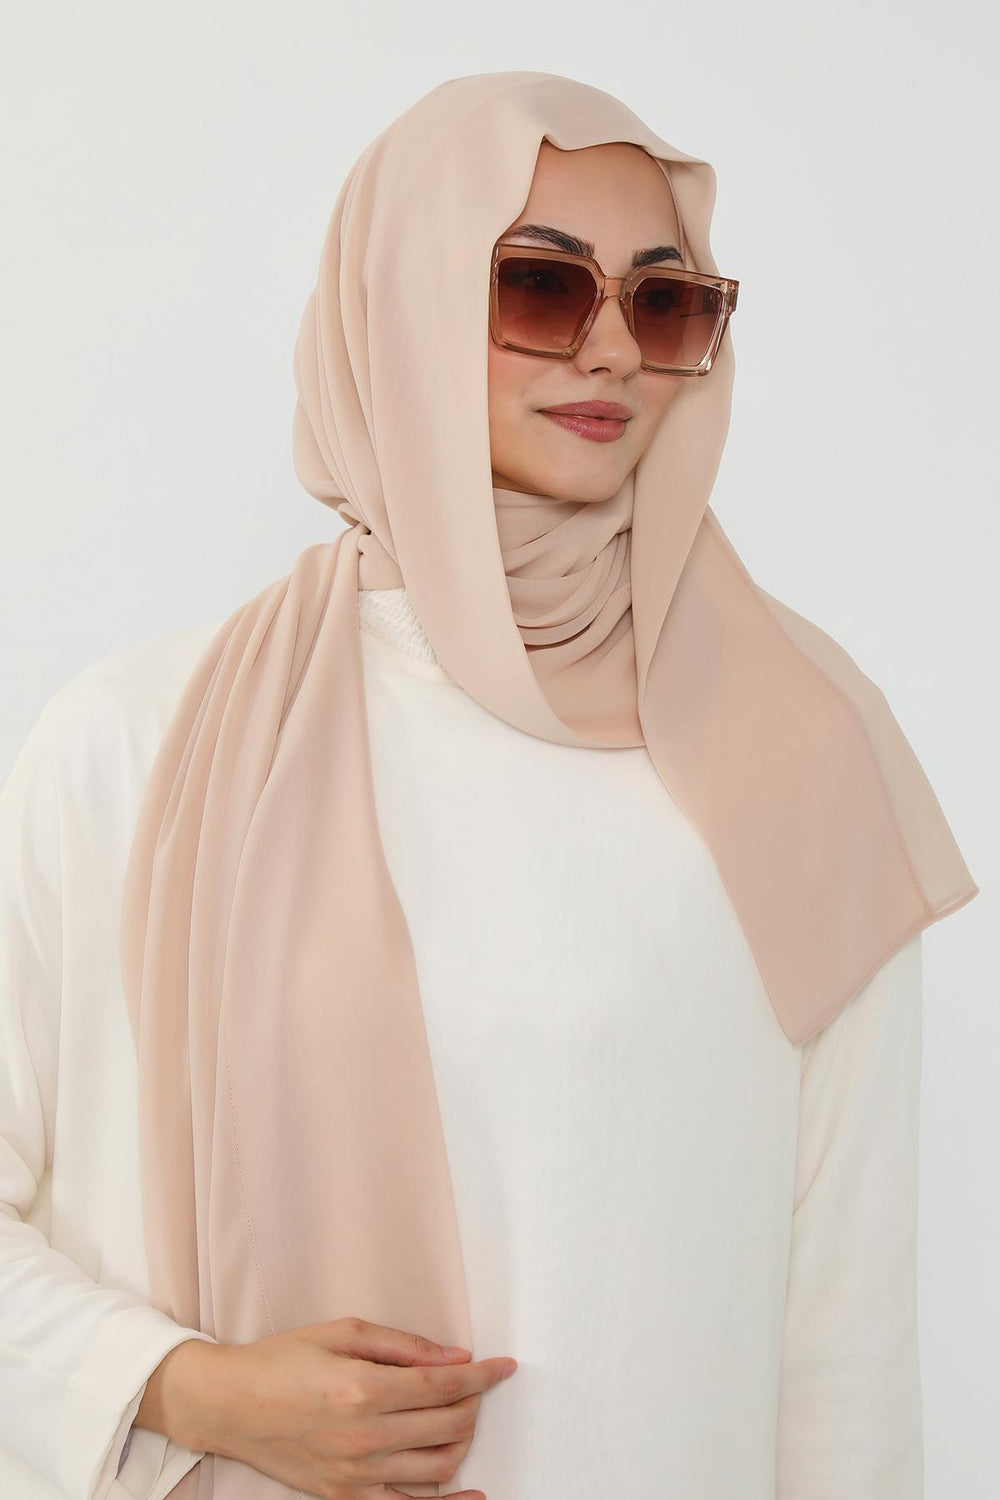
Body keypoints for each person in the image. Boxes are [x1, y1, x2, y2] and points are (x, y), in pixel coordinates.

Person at [0, 71, 977, 1500]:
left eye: (663, 302)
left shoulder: (799, 754)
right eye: (539, 284)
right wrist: (196, 1392)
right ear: (395, 301)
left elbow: (846, 1354)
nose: (612, 350)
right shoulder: (139, 748)